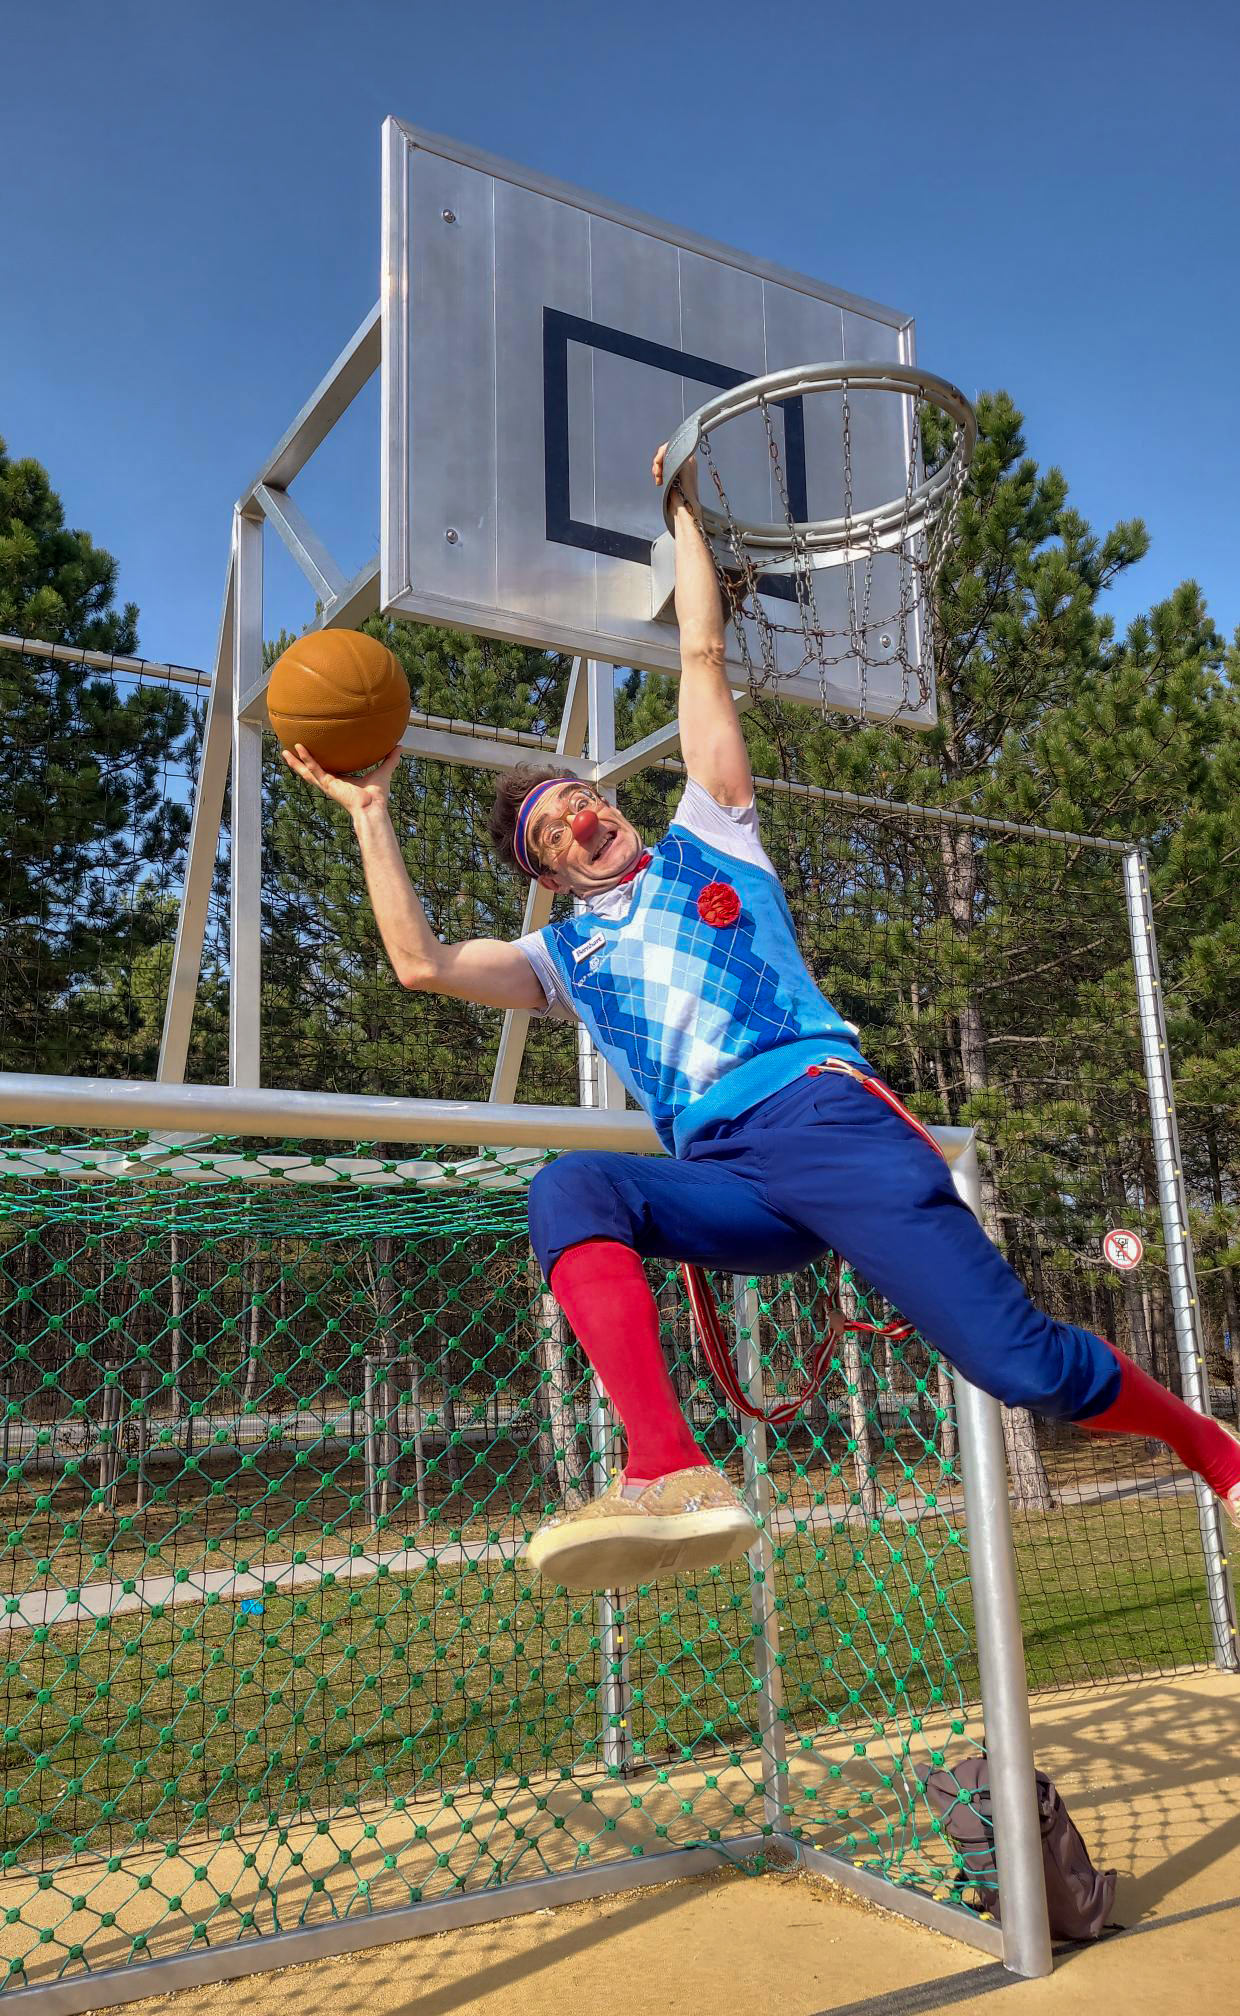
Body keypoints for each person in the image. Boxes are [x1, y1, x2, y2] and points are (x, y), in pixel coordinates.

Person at [281, 445, 1240, 1592]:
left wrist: (683, 510)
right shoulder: (560, 954)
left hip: (826, 1124)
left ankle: (1213, 1449)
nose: (580, 820)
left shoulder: (712, 833)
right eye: (552, 833)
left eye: (583, 799)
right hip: (727, 1175)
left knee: (1023, 1368)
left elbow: (697, 651)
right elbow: (419, 963)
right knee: (572, 1186)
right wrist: (371, 811)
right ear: (549, 876)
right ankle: (671, 1469)